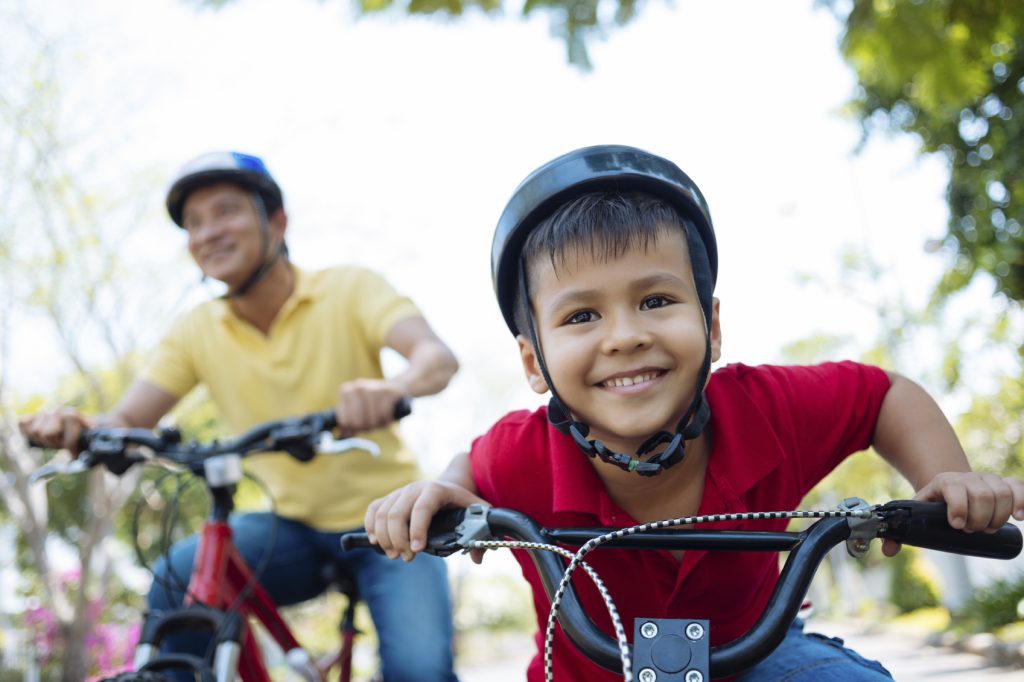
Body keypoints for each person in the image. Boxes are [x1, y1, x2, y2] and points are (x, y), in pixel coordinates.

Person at [361, 144, 1024, 681]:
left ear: (710, 325)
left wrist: (947, 480)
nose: (624, 336)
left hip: (752, 660)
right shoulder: (521, 453)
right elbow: (469, 472)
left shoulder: (770, 408)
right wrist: (443, 494)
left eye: (655, 301)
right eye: (582, 315)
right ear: (533, 362)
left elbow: (884, 395)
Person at [20, 151, 461, 681]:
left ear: (276, 221)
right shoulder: (197, 330)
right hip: (292, 527)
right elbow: (125, 420)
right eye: (194, 223)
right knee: (177, 576)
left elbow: (436, 359)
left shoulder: (349, 288)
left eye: (225, 212)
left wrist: (393, 387)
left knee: (420, 669)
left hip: (393, 520)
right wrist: (80, 428)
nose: (208, 233)